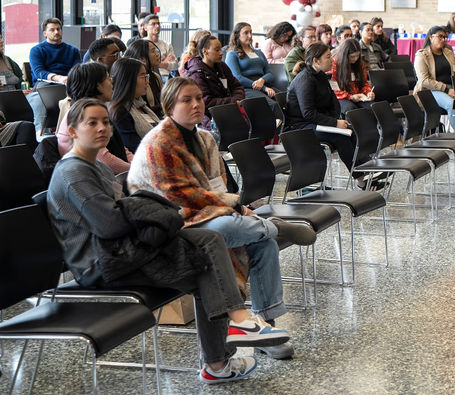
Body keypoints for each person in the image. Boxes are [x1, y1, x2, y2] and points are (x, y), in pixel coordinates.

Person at [47, 98, 288, 383]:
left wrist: (143, 212)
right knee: (208, 246)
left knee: (208, 261)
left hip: (121, 252)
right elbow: (110, 223)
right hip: (102, 264)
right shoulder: (72, 172)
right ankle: (233, 330)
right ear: (72, 130)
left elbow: (120, 214)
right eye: (92, 123)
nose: (102, 128)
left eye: (105, 122)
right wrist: (145, 211)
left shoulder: (95, 166)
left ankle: (218, 362)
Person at [129, 78, 315, 361]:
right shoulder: (158, 143)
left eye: (198, 99)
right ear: (168, 107)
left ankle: (265, 327)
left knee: (263, 245)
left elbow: (218, 186)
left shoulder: (205, 138)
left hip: (206, 213)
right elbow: (180, 198)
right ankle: (273, 226)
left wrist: (237, 207)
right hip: (169, 225)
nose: (195, 105)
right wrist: (233, 208)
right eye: (186, 100)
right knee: (227, 228)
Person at [284, 42, 357, 174]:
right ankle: (361, 177)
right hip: (301, 126)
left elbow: (332, 101)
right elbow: (308, 114)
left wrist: (336, 120)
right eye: (328, 57)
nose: (332, 59)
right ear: (316, 61)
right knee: (340, 137)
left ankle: (366, 170)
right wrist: (334, 123)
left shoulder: (321, 75)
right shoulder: (305, 79)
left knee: (351, 131)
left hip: (316, 122)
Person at [55, 62, 130, 172]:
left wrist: (137, 164)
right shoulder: (81, 115)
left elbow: (122, 150)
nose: (112, 82)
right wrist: (137, 170)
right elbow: (105, 161)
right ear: (97, 86)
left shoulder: (96, 111)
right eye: (108, 78)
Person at [27, 18, 83, 131]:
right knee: (40, 99)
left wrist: (68, 79)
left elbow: (78, 71)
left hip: (68, 83)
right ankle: (40, 132)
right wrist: (58, 78)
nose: (56, 32)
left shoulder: (73, 50)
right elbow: (39, 73)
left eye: (58, 29)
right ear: (45, 33)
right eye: (52, 30)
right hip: (45, 84)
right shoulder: (37, 50)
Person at [182, 33, 246, 130]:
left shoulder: (221, 66)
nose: (221, 53)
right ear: (205, 52)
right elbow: (206, 102)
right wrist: (234, 102)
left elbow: (237, 86)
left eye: (220, 49)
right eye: (217, 50)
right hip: (209, 117)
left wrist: (237, 100)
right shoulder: (196, 74)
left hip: (228, 110)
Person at [413, 26, 455, 132]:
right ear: (431, 37)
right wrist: (447, 90)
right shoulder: (421, 55)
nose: (443, 40)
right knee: (452, 104)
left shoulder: (448, 53)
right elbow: (424, 81)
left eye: (445, 37)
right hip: (431, 91)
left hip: (452, 88)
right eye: (440, 37)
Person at [109, 57, 161, 153]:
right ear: (127, 79)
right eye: (143, 77)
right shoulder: (120, 111)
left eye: (147, 76)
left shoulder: (142, 105)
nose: (147, 82)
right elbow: (134, 147)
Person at [224, 22, 279, 105]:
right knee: (272, 104)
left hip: (264, 84)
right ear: (237, 35)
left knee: (285, 100)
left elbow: (270, 73)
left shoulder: (259, 52)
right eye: (246, 33)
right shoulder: (232, 54)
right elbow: (237, 78)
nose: (250, 36)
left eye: (250, 32)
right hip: (246, 88)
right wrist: (264, 88)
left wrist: (262, 80)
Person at [331, 37, 375, 115]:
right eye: (352, 56)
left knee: (372, 107)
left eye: (357, 56)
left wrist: (368, 92)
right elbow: (333, 87)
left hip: (358, 96)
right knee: (351, 109)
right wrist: (350, 97)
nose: (355, 59)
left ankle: (371, 127)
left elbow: (364, 83)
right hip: (341, 97)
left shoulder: (359, 63)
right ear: (345, 55)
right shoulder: (334, 64)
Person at [124, 39, 164, 118]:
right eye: (153, 51)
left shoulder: (156, 77)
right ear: (142, 58)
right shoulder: (135, 80)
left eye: (156, 50)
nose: (157, 54)